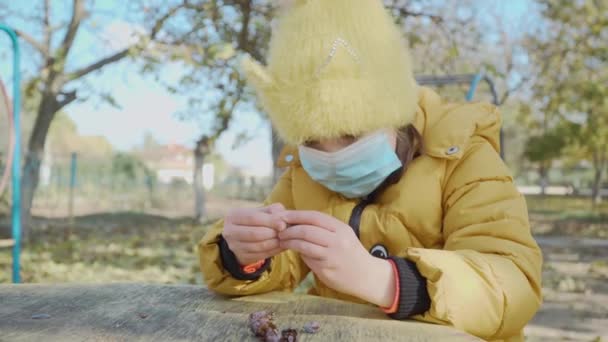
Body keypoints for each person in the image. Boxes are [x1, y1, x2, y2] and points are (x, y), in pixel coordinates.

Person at [198, 1, 542, 341]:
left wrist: (384, 280)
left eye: (352, 134)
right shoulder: (302, 174)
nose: (333, 157)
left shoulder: (465, 158)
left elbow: (512, 285)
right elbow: (283, 265)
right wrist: (241, 255)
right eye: (312, 142)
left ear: (396, 114)